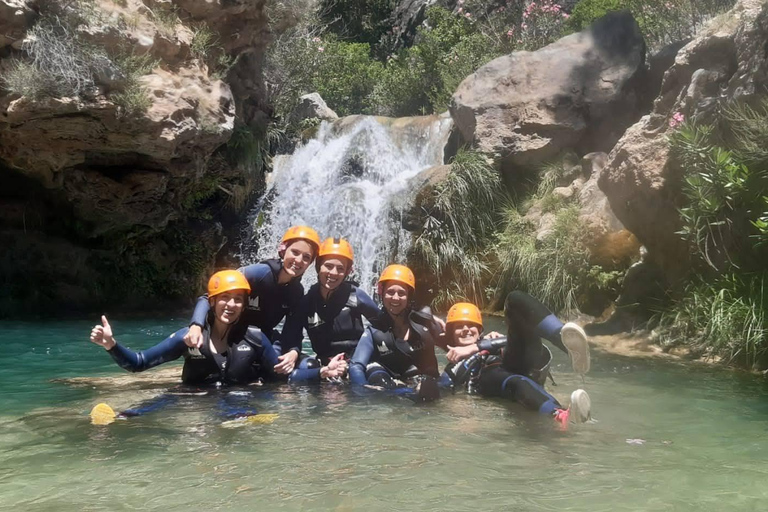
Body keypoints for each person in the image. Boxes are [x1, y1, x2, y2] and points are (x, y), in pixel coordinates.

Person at [185, 225, 321, 376]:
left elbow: (292, 329)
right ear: (283, 251)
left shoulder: (297, 291)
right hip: (234, 336)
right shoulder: (258, 273)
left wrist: (293, 352)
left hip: (263, 338)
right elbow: (208, 297)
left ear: (310, 264)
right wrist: (196, 325)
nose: (299, 260)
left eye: (306, 257)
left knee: (305, 367)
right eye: (294, 252)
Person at [439, 298, 592, 428]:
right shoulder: (453, 367)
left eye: (471, 325)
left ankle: (565, 342)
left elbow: (510, 341)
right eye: (459, 326)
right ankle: (560, 415)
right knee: (516, 381)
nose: (466, 329)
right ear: (451, 332)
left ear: (480, 330)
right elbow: (437, 392)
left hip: (520, 363)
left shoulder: (491, 340)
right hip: (496, 380)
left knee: (514, 300)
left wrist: (481, 346)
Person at [281, 237, 380, 381]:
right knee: (307, 368)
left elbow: (383, 325)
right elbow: (292, 336)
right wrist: (293, 352)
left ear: (347, 272)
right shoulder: (306, 302)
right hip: (325, 363)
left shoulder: (356, 296)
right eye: (328, 266)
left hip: (356, 361)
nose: (333, 273)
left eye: (340, 269)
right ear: (318, 267)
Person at [348, 264, 441, 401]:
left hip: (416, 379)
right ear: (382, 293)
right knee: (380, 379)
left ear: (409, 295)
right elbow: (356, 366)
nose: (395, 298)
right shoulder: (374, 330)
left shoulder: (425, 323)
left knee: (429, 391)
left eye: (401, 293)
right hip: (385, 380)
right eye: (390, 292)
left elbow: (452, 346)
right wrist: (362, 390)